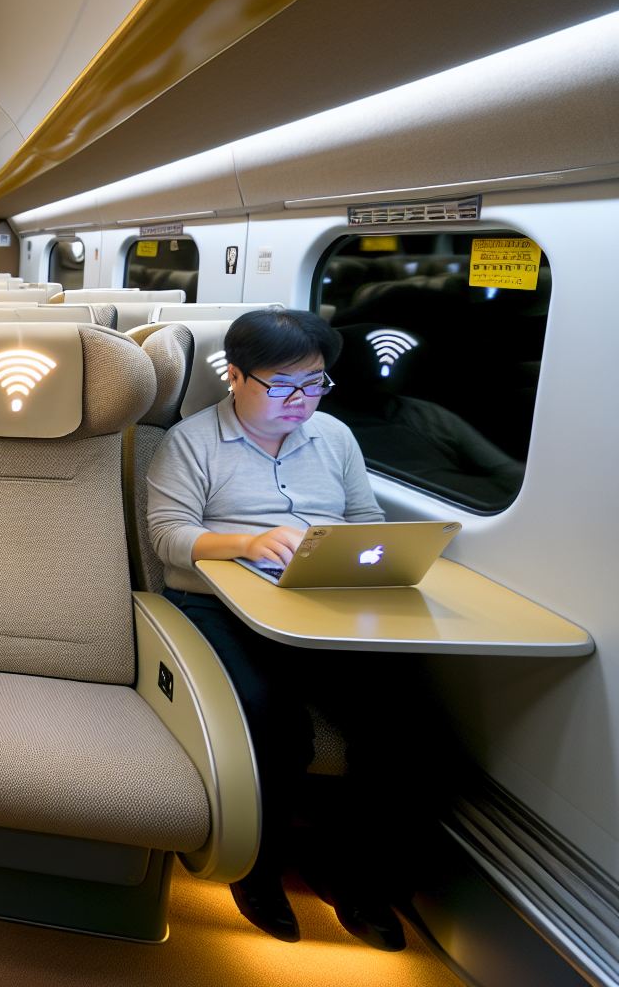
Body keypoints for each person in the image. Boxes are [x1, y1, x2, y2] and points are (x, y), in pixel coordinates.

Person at [146, 306, 444, 952]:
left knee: (404, 719)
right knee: (273, 721)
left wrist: (356, 553)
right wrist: (250, 542)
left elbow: (363, 515)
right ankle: (257, 870)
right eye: (284, 384)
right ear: (235, 375)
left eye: (314, 383)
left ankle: (352, 876)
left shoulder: (334, 437)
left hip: (318, 606)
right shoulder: (191, 441)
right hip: (217, 606)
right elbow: (170, 539)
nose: (301, 399)